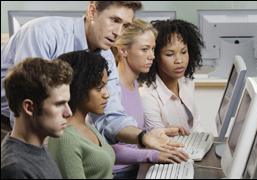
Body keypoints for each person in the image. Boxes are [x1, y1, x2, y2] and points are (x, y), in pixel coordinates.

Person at [1, 1, 183, 151]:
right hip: (11, 121)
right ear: (92, 11)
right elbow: (26, 106)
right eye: (114, 20)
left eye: (125, 25)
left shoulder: (106, 57)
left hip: (53, 124)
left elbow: (110, 116)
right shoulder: (43, 33)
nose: (119, 33)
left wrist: (144, 136)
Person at [110, 18, 190, 179]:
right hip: (118, 173)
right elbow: (105, 149)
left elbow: (131, 134)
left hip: (136, 166)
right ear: (123, 51)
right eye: (145, 49)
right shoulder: (111, 91)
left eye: (153, 49)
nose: (152, 56)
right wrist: (152, 155)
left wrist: (154, 132)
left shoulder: (133, 82)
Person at [1, 57, 73, 179]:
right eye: (59, 104)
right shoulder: (16, 169)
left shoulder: (35, 147)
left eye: (67, 103)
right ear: (29, 108)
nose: (69, 113)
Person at [48, 50, 115, 179]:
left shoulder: (85, 125)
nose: (107, 94)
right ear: (79, 87)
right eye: (99, 88)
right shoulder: (66, 138)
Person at [138, 19, 205, 133]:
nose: (179, 60)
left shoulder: (186, 82)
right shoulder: (147, 97)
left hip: (192, 148)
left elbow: (195, 123)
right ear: (156, 56)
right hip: (169, 150)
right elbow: (159, 141)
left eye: (183, 52)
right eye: (170, 54)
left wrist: (203, 144)